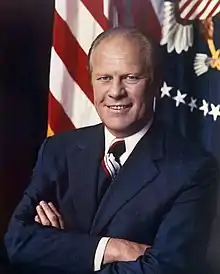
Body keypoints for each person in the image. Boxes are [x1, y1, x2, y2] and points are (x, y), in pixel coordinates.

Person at [4, 27, 218, 274]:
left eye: (131, 78)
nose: (116, 92)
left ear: (157, 82)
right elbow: (17, 242)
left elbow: (164, 269)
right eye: (105, 78)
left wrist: (58, 252)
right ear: (91, 80)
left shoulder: (193, 168)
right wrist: (112, 249)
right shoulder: (58, 150)